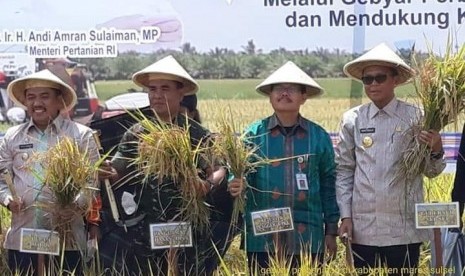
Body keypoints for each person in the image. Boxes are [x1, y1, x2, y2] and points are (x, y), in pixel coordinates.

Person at [98, 55, 226, 275]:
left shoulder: (195, 133)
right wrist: (106, 170)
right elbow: (118, 171)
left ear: (181, 92)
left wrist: (206, 186)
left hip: (189, 227)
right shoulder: (138, 133)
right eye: (152, 89)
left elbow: (218, 170)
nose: (157, 95)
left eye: (164, 89)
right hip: (146, 228)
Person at [335, 43, 446, 275]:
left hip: (403, 228)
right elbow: (344, 170)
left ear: (395, 80)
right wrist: (345, 215)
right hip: (363, 228)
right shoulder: (352, 120)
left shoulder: (417, 117)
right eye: (368, 79)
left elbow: (431, 171)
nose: (373, 84)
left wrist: (436, 147)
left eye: (380, 78)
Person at [228, 61, 340, 274]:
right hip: (263, 238)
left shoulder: (318, 136)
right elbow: (236, 172)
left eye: (292, 89)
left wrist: (331, 231)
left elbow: (329, 184)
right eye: (279, 88)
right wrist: (235, 182)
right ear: (270, 95)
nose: (285, 93)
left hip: (308, 235)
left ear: (304, 96)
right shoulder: (253, 135)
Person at [0, 69, 100, 275]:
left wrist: (74, 204)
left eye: (44, 96)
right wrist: (8, 200)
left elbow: (92, 183)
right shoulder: (12, 137)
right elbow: (1, 179)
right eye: (31, 97)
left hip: (67, 239)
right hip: (22, 238)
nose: (37, 103)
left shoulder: (81, 136)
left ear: (59, 100)